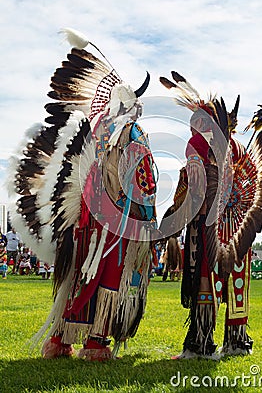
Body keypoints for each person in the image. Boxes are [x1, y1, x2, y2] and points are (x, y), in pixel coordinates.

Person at [8, 30, 157, 361]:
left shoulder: (101, 131)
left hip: (87, 219)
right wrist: (147, 221)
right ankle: (95, 343)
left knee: (78, 275)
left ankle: (60, 340)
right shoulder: (131, 137)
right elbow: (142, 184)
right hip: (115, 223)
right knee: (107, 278)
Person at [159, 71, 262, 359]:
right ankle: (235, 342)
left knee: (205, 281)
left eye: (196, 120)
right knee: (237, 279)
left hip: (207, 226)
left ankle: (200, 345)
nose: (192, 126)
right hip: (238, 229)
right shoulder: (238, 147)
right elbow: (255, 180)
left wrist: (174, 218)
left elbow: (195, 190)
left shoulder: (200, 144)